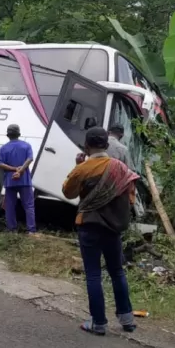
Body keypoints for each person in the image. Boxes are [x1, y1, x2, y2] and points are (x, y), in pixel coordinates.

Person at [62, 127, 139, 335]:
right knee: (117, 271)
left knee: (94, 274)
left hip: (89, 225)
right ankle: (127, 319)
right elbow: (131, 197)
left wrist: (78, 167)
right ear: (106, 145)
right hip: (113, 227)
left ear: (86, 147)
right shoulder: (121, 168)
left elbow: (68, 192)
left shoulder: (83, 169)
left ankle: (99, 322)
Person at [0, 124, 36, 234]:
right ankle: (31, 230)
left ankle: (11, 229)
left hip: (10, 181)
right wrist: (21, 170)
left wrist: (14, 169)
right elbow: (30, 159)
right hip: (25, 181)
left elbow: (0, 164)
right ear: (18, 134)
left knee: (10, 206)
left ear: (8, 135)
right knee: (29, 206)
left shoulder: (3, 148)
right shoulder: (26, 146)